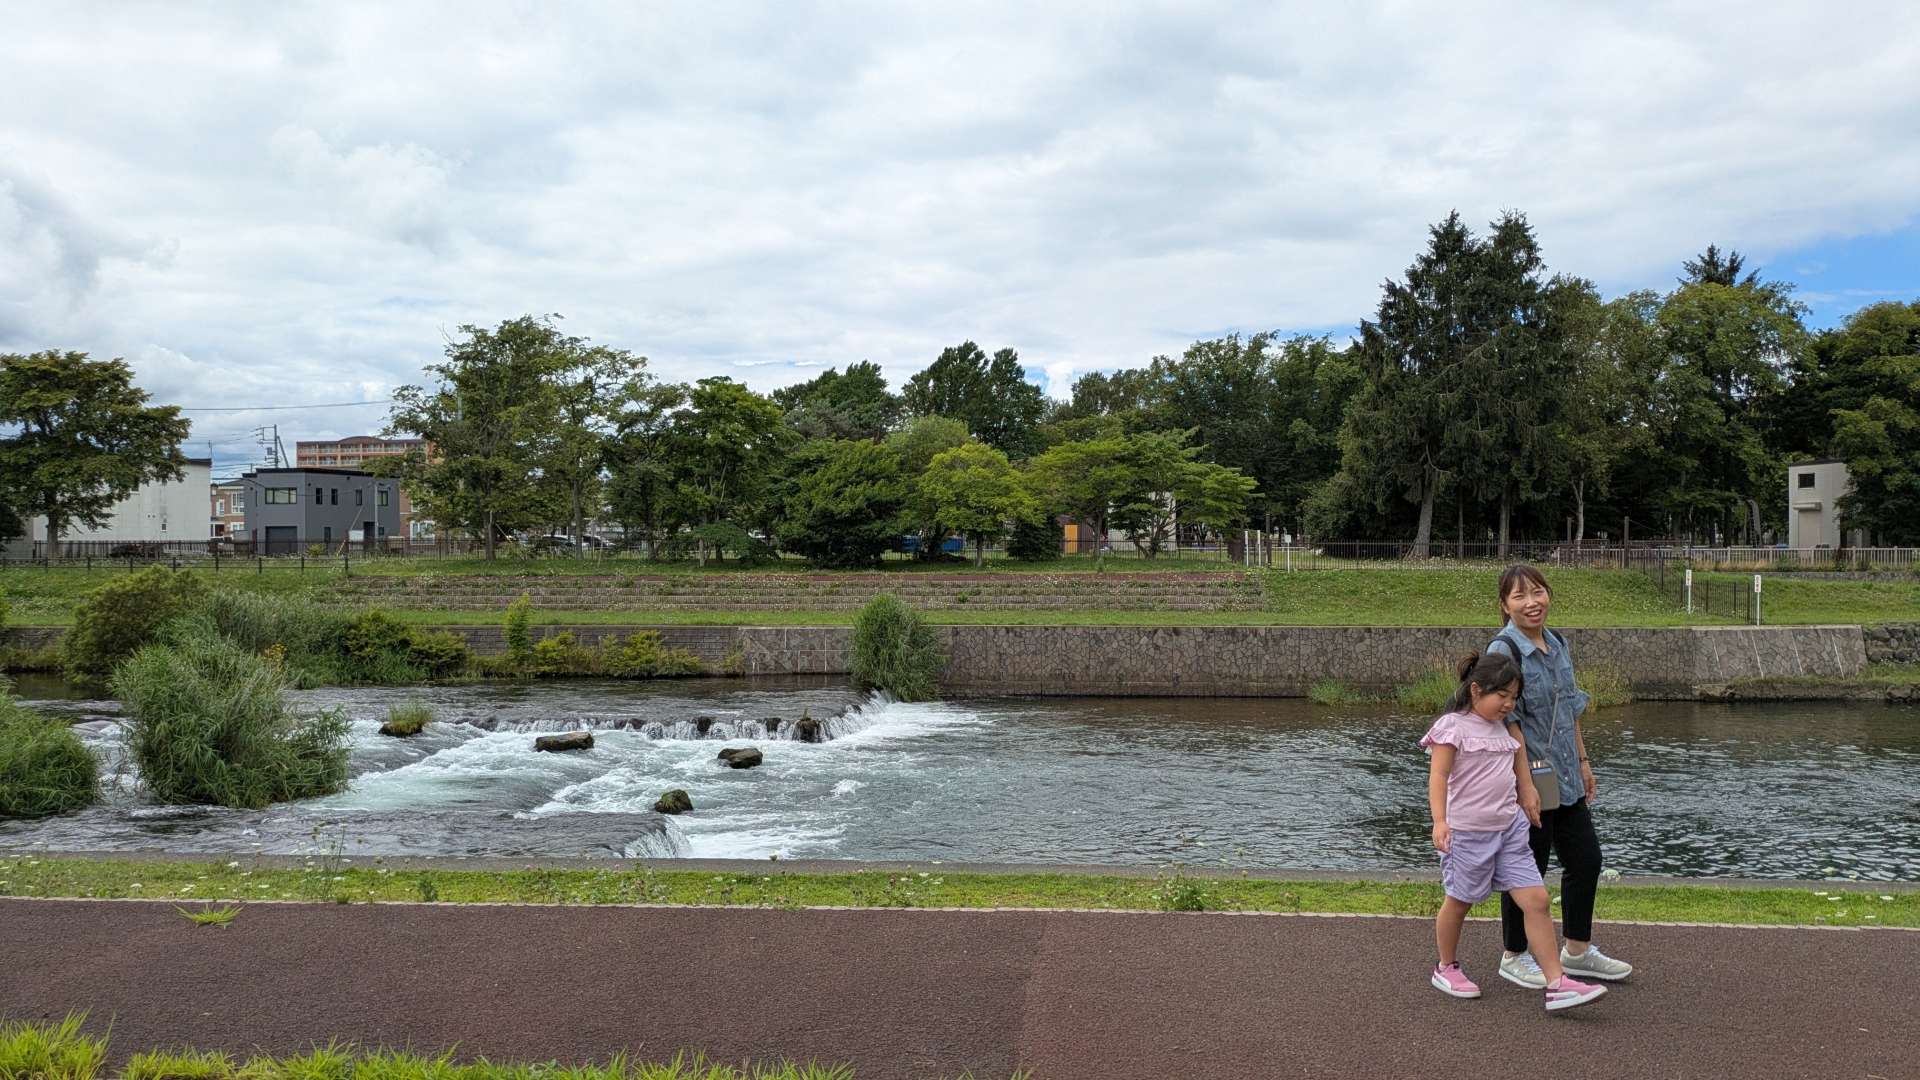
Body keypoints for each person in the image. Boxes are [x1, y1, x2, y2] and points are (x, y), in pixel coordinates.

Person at [1422, 652, 1608, 1012]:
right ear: (1476, 690)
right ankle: (1446, 967)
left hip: (1509, 832)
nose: (1508, 704)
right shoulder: (1452, 727)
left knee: (1537, 900)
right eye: (1502, 695)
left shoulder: (1505, 729)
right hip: (1468, 833)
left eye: (1514, 697)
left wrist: (1527, 791)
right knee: (1459, 902)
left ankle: (1557, 983)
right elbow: (1438, 776)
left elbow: (1519, 762)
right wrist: (1440, 821)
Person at [1490, 564, 1635, 987]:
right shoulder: (1504, 650)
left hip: (1565, 774)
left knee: (1586, 860)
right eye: (1519, 596)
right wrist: (1525, 785)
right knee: (1526, 869)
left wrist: (1584, 762)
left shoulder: (1557, 643)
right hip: (1528, 778)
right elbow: (1508, 721)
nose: (1531, 602)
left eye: (1537, 592)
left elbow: (1570, 708)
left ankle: (1577, 950)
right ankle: (1515, 954)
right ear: (1505, 606)